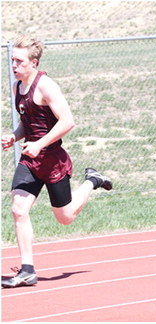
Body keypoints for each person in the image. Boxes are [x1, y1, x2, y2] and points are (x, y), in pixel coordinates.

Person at [1, 35, 113, 289]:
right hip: (30, 161)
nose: (14, 65)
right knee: (19, 209)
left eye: (19, 61)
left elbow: (67, 121)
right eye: (12, 61)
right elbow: (27, 121)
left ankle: (92, 181)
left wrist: (40, 144)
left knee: (65, 218)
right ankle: (27, 270)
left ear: (34, 62)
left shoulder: (46, 86)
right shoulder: (19, 86)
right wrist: (14, 137)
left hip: (52, 161)